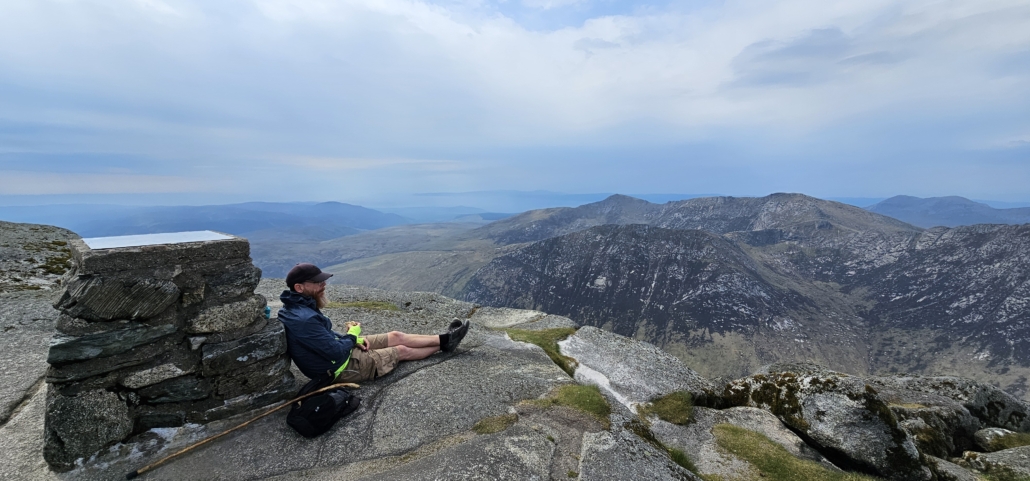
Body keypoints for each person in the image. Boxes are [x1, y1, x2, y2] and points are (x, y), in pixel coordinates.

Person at [278, 263, 470, 384]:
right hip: (337, 369)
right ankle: (446, 345)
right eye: (318, 282)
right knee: (402, 350)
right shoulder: (304, 318)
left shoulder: (296, 308)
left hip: (336, 355)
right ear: (299, 287)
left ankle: (446, 338)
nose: (323, 285)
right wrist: (352, 336)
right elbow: (334, 351)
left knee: (396, 336)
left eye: (322, 281)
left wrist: (350, 338)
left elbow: (322, 337)